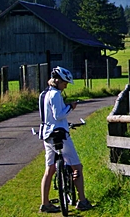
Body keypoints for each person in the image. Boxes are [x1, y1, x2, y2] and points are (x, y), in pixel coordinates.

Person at [38, 66, 93, 213]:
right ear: (57, 80)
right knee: (77, 166)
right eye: (64, 83)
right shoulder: (56, 95)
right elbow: (58, 115)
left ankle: (45, 202)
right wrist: (71, 107)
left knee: (49, 169)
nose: (65, 86)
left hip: (46, 135)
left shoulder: (43, 94)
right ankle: (82, 200)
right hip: (60, 135)